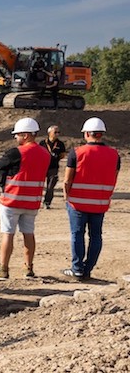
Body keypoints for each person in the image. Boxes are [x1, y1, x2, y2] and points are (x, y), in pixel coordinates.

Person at [0, 118, 51, 279]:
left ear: (25, 135)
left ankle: (3, 268)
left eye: (17, 135)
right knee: (28, 233)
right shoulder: (45, 153)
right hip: (33, 201)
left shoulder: (17, 152)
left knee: (8, 233)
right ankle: (28, 268)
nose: (16, 138)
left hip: (12, 200)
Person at [62, 117, 120, 281]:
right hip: (100, 204)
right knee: (96, 236)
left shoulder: (77, 152)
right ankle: (88, 270)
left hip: (77, 203)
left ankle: (77, 269)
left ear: (86, 133)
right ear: (101, 134)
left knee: (77, 235)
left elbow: (67, 179)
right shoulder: (114, 154)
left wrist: (67, 196)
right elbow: (114, 178)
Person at [42, 125, 66, 209]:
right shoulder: (43, 143)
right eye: (55, 132)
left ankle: (47, 202)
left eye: (58, 132)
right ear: (49, 133)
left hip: (53, 167)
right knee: (38, 185)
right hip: (42, 167)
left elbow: (62, 155)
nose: (57, 134)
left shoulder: (60, 144)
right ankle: (35, 201)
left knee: (50, 186)